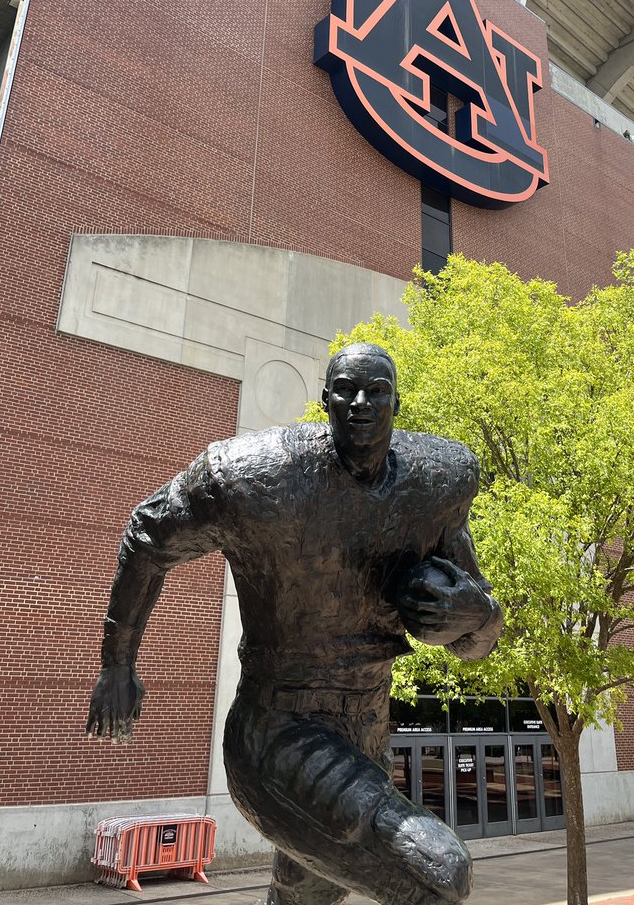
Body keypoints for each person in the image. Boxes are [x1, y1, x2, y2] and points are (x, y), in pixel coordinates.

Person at [87, 342, 502, 905]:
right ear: (325, 400)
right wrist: (117, 663)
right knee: (439, 868)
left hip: (368, 727)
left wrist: (475, 613)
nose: (361, 403)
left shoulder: (436, 483)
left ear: (397, 403)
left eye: (376, 391)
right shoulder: (255, 476)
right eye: (347, 391)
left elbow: (476, 641)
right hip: (278, 731)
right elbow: (148, 534)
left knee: (306, 896)